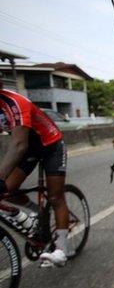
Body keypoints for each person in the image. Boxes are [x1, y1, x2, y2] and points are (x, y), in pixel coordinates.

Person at [0, 88, 69, 266]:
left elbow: (18, 145)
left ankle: (61, 250)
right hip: (29, 147)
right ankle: (37, 212)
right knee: (8, 189)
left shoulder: (14, 102)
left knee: (55, 196)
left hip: (51, 145)